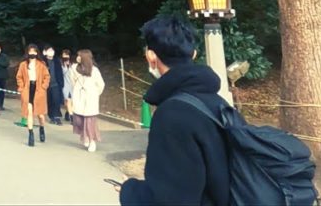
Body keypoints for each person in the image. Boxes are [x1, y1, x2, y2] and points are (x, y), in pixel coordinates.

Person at [119, 17, 229, 206]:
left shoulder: (172, 114)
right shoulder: (217, 103)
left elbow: (171, 199)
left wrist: (130, 191)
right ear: (193, 54)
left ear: (151, 56)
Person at [70, 49, 105, 152]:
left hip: (91, 98)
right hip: (79, 97)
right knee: (78, 119)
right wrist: (76, 91)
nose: (77, 57)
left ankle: (92, 141)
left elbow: (101, 84)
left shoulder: (94, 70)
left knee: (90, 121)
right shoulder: (74, 68)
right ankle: (84, 136)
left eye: (80, 56)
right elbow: (72, 82)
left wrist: (94, 94)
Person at [16, 43, 49, 146]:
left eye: (34, 51)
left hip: (38, 89)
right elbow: (19, 77)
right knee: (29, 112)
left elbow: (47, 77)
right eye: (30, 51)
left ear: (37, 53)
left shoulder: (41, 64)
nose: (32, 53)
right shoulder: (23, 65)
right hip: (27, 89)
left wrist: (44, 87)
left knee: (40, 115)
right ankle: (30, 135)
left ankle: (42, 128)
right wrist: (21, 88)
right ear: (27, 53)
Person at [43, 45, 64, 125]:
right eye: (49, 50)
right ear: (45, 52)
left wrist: (61, 83)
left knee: (56, 100)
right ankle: (51, 116)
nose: (51, 52)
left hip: (56, 84)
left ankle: (57, 117)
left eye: (52, 50)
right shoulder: (43, 61)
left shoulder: (57, 61)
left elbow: (60, 73)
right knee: (49, 101)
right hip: (47, 85)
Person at [61, 49, 74, 120]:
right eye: (64, 55)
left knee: (71, 101)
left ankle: (68, 112)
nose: (65, 56)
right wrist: (65, 66)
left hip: (72, 85)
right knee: (67, 101)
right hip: (65, 84)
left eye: (67, 55)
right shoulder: (61, 64)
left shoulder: (73, 64)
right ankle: (71, 116)